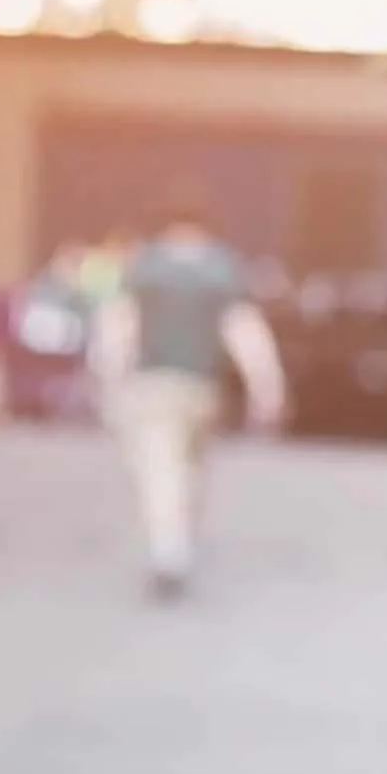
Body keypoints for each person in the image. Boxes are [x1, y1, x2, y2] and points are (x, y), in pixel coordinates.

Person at [91, 190, 286, 599]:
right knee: (192, 471)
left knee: (161, 469)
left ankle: (169, 552)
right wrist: (266, 386)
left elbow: (119, 324)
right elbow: (244, 331)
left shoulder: (145, 267)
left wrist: (107, 374)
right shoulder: (223, 269)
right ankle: (178, 543)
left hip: (153, 382)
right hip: (202, 386)